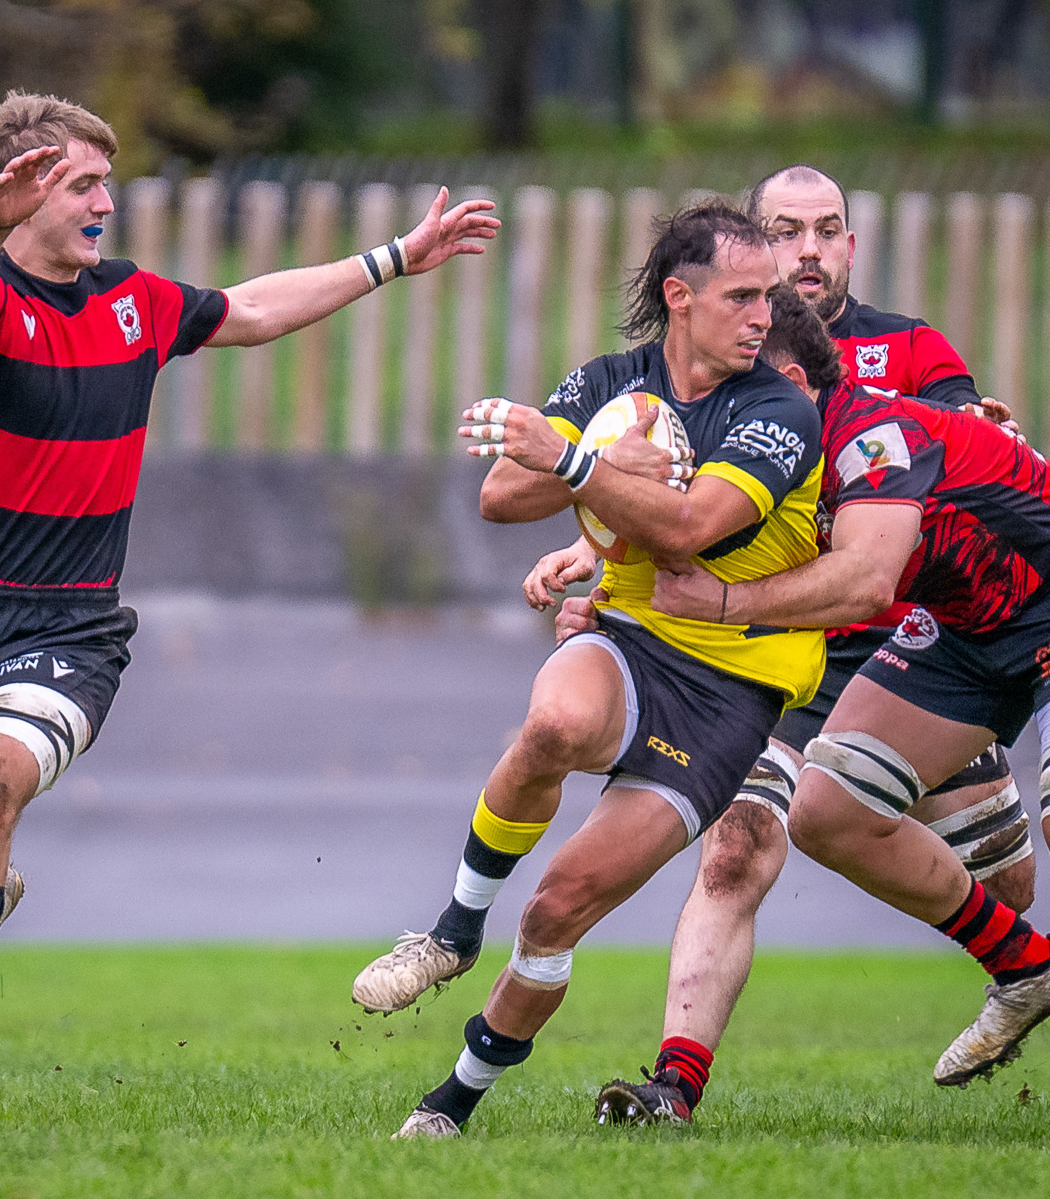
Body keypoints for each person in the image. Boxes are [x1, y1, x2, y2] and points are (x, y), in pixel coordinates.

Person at [0, 90, 499, 1127]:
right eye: (83, 182)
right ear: (22, 191)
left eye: (107, 179)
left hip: (69, 628)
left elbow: (256, 307)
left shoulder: (136, 301)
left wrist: (396, 258)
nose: (107, 198)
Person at [624, 289, 1050, 1147]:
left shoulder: (871, 436)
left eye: (722, 385)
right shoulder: (770, 454)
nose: (704, 405)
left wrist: (721, 601)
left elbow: (864, 585)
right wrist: (595, 572)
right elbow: (677, 525)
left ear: (787, 383)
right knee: (827, 812)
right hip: (968, 624)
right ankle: (1026, 964)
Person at [526, 164, 1036, 1127]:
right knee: (738, 846)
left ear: (851, 246)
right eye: (785, 231)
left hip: (909, 651)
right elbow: (682, 502)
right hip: (771, 649)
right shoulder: (713, 369)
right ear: (751, 253)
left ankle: (1023, 969)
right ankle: (674, 1087)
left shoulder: (911, 350)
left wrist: (990, 436)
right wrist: (592, 561)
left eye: (828, 229)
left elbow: (958, 449)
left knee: (1008, 880)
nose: (807, 249)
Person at [356, 202, 828, 1140]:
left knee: (557, 909)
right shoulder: (611, 381)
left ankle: (455, 1096)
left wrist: (577, 458)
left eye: (767, 298)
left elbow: (692, 527)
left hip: (731, 694)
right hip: (631, 636)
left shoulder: (779, 410)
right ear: (678, 297)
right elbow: (501, 495)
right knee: (554, 723)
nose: (762, 316)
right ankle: (451, 930)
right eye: (742, 296)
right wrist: (600, 458)